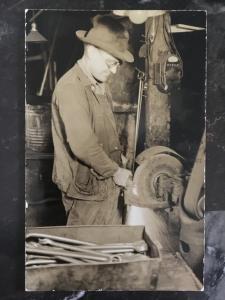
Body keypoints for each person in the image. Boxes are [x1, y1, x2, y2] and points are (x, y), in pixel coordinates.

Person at [51, 15, 134, 225]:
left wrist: (119, 158)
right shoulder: (71, 88)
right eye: (111, 63)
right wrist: (115, 171)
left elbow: (104, 132)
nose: (114, 71)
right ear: (91, 50)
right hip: (85, 192)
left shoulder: (99, 85)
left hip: (105, 184)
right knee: (87, 253)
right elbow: (82, 145)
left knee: (110, 250)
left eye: (118, 64)